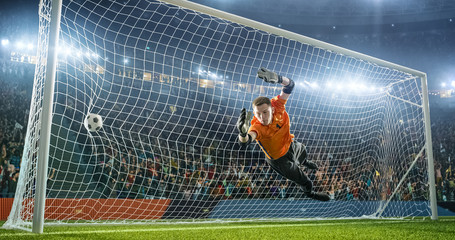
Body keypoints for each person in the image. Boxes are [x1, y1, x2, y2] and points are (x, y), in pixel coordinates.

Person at [236, 67, 330, 201]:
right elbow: (245, 141)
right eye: (258, 114)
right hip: (280, 160)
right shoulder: (257, 126)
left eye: (265, 112)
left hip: (290, 145)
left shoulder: (277, 105)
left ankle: (305, 162)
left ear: (272, 109)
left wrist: (278, 78)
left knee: (303, 149)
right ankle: (310, 194)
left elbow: (290, 85)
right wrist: (242, 132)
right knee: (306, 181)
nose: (262, 117)